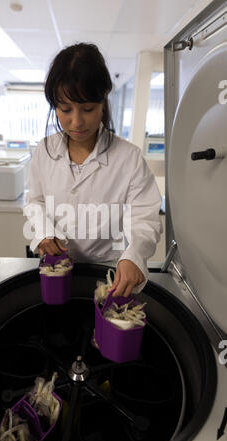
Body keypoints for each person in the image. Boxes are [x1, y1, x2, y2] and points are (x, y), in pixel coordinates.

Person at [24, 43, 163, 298]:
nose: (76, 122)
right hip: (58, 266)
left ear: (103, 101)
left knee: (107, 333)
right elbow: (35, 200)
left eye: (87, 109)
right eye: (65, 109)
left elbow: (144, 215)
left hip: (110, 270)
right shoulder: (44, 150)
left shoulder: (128, 157)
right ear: (55, 105)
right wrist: (44, 232)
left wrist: (134, 255)